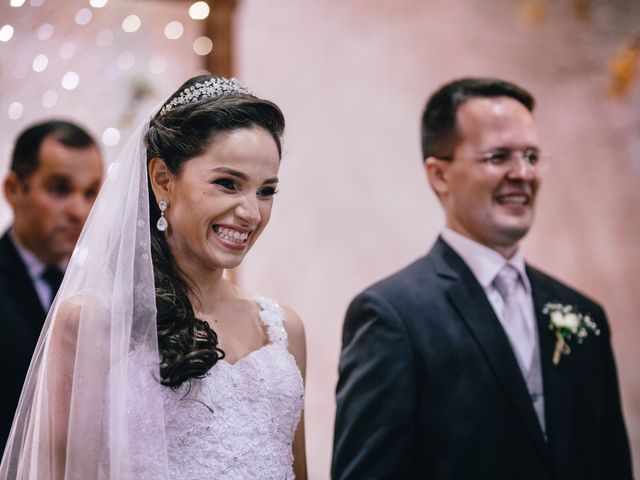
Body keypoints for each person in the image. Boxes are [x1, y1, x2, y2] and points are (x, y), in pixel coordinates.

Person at [0, 75, 307, 480]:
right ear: (162, 178)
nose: (251, 212)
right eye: (227, 183)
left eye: (266, 191)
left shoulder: (283, 328)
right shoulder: (93, 321)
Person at [332, 77, 633, 479]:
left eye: (531, 156)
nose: (522, 174)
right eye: (498, 157)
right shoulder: (392, 316)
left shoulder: (583, 314)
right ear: (439, 174)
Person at [0, 120, 103, 453]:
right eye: (60, 189)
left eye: (90, 193)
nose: (79, 210)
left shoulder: (92, 289)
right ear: (14, 189)